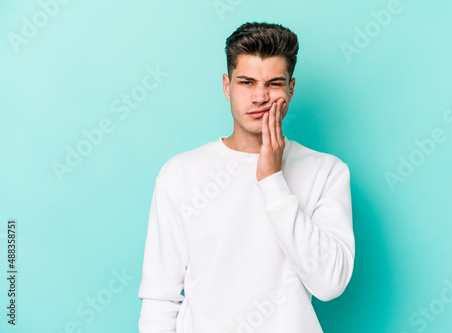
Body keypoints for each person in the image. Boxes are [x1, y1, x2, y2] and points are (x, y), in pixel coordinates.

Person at [137, 21, 355, 333]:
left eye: (274, 84)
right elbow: (160, 296)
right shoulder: (181, 173)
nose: (260, 97)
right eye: (247, 82)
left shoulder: (326, 172)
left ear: (291, 89)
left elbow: (330, 283)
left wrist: (272, 180)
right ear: (227, 86)